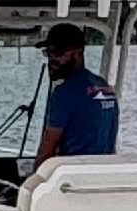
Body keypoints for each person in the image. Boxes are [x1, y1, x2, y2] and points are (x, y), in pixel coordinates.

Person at [36, 21, 119, 162]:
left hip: (72, 177)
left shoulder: (64, 93)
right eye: (48, 53)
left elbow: (48, 149)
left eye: (58, 52)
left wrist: (33, 181)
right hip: (102, 174)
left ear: (78, 52)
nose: (52, 59)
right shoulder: (104, 88)